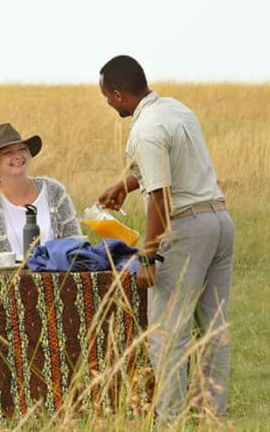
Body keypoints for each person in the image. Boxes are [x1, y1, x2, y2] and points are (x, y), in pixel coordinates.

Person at [97, 55, 234, 421]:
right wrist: (124, 185)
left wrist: (148, 255)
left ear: (118, 93)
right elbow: (166, 170)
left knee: (168, 333)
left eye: (108, 98)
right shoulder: (176, 110)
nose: (109, 105)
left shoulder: (144, 129)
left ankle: (169, 419)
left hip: (186, 230)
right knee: (213, 327)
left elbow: (161, 196)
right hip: (219, 221)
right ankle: (211, 416)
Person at [0, 123, 83, 261]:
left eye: (22, 149)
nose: (17, 156)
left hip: (58, 278)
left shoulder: (54, 191)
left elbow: (75, 242)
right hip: (7, 280)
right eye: (8, 153)